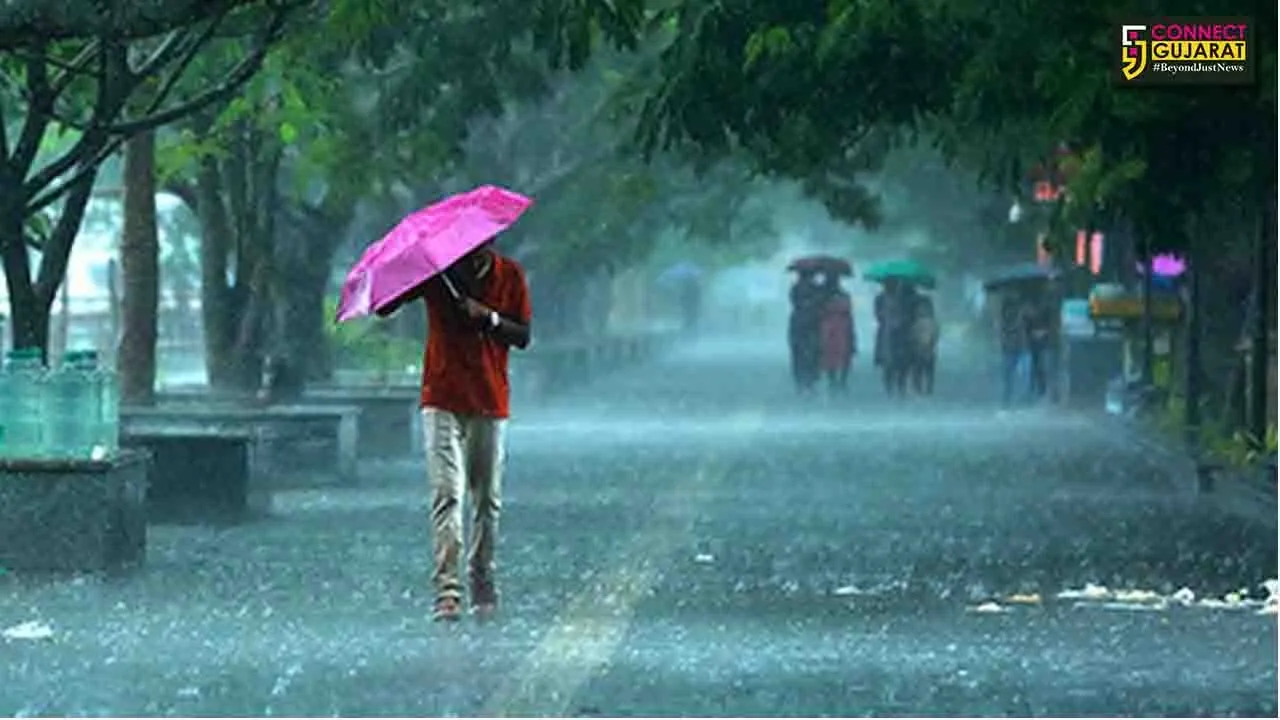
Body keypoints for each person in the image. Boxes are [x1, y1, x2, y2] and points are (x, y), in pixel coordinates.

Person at [376, 240, 532, 621]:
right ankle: (447, 589)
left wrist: (488, 318)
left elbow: (523, 335)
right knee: (447, 493)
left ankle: (482, 576)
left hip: (490, 399)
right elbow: (385, 306)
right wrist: (402, 270)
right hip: (441, 396)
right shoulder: (437, 273)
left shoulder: (509, 275)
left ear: (491, 241)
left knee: (486, 499)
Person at [788, 271, 827, 393]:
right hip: (810, 325)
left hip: (803, 324)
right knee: (810, 353)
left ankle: (803, 381)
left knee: (802, 354)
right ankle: (807, 381)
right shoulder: (815, 289)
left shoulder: (796, 288)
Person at [818, 272, 856, 392]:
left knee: (842, 353)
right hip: (833, 327)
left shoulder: (840, 295)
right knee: (832, 354)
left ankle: (840, 380)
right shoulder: (823, 297)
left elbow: (848, 311)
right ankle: (835, 380)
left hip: (837, 327)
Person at [996, 291, 1032, 408]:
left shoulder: (1020, 312)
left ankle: (1018, 399)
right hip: (1011, 348)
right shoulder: (1007, 315)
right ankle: (1008, 400)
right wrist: (1020, 317)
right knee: (1009, 376)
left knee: (1021, 375)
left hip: (1020, 347)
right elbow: (1010, 328)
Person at [909, 292, 938, 395]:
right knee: (919, 369)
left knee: (926, 370)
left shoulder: (930, 323)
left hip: (927, 349)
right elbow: (913, 336)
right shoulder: (917, 323)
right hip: (920, 349)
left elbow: (935, 336)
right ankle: (920, 387)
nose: (922, 310)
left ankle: (925, 387)